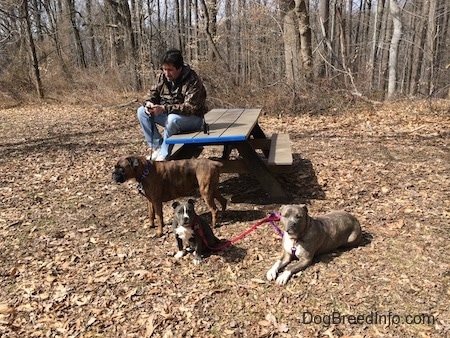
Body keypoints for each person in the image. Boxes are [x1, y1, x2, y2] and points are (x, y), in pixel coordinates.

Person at [137, 49, 208, 161]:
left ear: (179, 68)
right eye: (164, 69)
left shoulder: (193, 80)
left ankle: (164, 155)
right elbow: (151, 94)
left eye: (170, 70)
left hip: (194, 119)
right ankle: (157, 147)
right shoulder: (162, 77)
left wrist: (164, 109)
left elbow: (190, 107)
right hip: (170, 116)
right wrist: (149, 103)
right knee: (141, 112)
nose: (166, 73)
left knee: (172, 119)